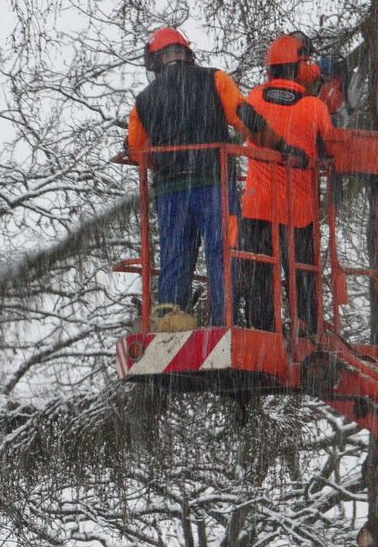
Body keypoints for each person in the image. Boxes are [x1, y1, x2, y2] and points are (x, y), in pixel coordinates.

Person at [126, 27, 307, 331]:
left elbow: (136, 150)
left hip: (171, 192)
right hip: (214, 184)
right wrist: (281, 146)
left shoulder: (144, 101)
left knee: (174, 252)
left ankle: (171, 314)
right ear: (187, 54)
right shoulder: (214, 79)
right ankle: (224, 320)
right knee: (224, 252)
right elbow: (245, 118)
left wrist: (168, 161)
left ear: (155, 62)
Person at [238, 32, 334, 333]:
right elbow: (331, 147)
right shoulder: (314, 108)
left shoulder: (254, 98)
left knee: (259, 271)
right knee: (303, 273)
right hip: (297, 211)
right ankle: (305, 324)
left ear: (269, 69)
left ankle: (262, 328)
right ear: (301, 67)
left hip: (257, 207)